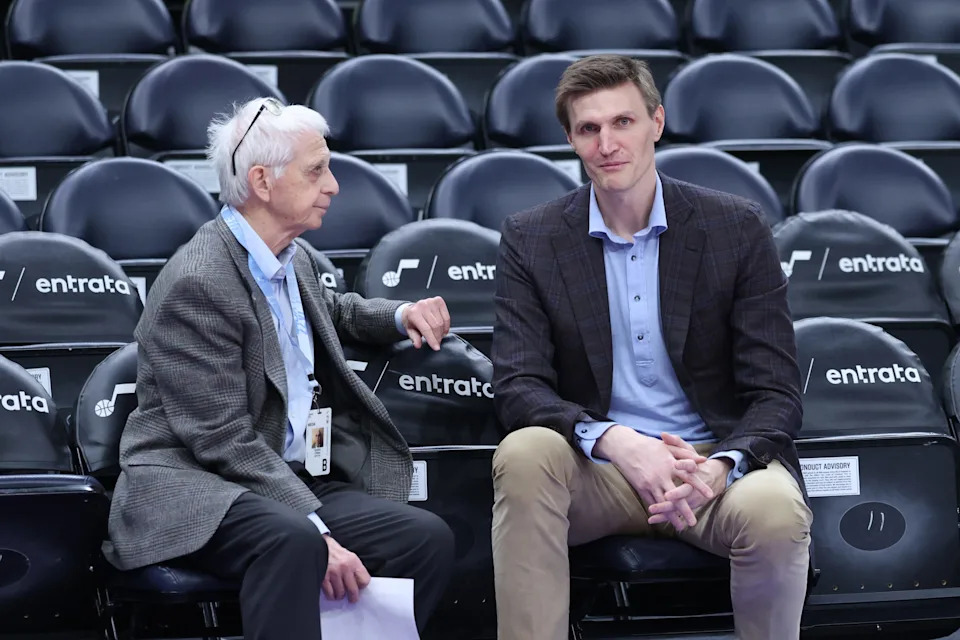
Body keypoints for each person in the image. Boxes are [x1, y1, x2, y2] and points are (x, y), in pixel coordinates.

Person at [103, 97, 455, 639]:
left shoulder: (296, 258)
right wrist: (319, 531)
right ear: (263, 183)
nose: (334, 185)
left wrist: (403, 313)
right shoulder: (198, 283)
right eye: (317, 170)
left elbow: (336, 310)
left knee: (423, 538)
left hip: (279, 478)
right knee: (293, 541)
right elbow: (222, 442)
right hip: (196, 485)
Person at [490, 54, 813, 640]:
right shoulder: (531, 238)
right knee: (526, 452)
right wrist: (617, 442)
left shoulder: (734, 227)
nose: (607, 143)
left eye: (624, 122)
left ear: (656, 123)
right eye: (589, 128)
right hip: (599, 468)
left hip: (710, 466)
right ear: (570, 138)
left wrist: (717, 469)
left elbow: (777, 393)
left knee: (775, 512)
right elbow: (518, 387)